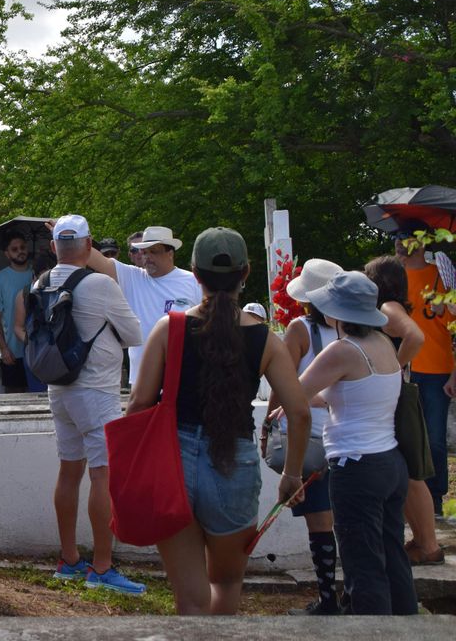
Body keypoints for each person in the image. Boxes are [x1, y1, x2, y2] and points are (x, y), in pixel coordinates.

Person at [129, 227, 310, 615]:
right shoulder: (267, 339)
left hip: (173, 463)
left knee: (189, 599)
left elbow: (140, 402)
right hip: (236, 463)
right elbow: (299, 411)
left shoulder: (169, 329)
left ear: (195, 273)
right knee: (225, 583)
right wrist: (291, 474)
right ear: (245, 274)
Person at [11, 215, 145, 593]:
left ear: (54, 247)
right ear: (89, 246)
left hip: (59, 388)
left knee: (68, 471)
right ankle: (102, 568)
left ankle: (69, 560)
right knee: (101, 475)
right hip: (97, 392)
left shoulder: (37, 283)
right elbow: (134, 333)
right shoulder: (100, 283)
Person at [299, 271, 418, 615]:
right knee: (393, 555)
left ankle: (371, 632)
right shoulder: (383, 343)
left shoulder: (341, 350)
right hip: (389, 460)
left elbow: (298, 393)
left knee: (363, 565)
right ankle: (409, 631)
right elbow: (352, 392)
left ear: (335, 313)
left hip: (357, 465)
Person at [263, 257, 342, 615]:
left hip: (311, 435)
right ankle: (349, 592)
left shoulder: (300, 330)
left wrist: (268, 424)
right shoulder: (354, 329)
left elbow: (282, 384)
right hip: (349, 430)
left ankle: (328, 597)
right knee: (345, 518)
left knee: (319, 519)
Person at [364, 255, 443, 566]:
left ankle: (428, 545)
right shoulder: (390, 308)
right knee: (407, 471)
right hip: (397, 395)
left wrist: (393, 367)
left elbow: (416, 336)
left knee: (411, 473)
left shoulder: (387, 308)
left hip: (397, 396)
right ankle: (423, 542)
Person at [393, 219, 455, 518]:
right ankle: (408, 499)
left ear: (421, 241)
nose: (397, 242)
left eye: (403, 236)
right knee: (403, 437)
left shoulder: (441, 277)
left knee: (434, 440)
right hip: (401, 370)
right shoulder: (394, 279)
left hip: (437, 370)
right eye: (395, 237)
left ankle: (436, 499)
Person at [89, 225, 201, 387]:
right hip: (141, 382)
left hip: (183, 379)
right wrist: (67, 231)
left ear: (170, 253)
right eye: (144, 252)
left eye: (153, 251)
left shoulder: (193, 281)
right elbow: (95, 259)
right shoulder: (134, 277)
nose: (146, 257)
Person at [0, 229, 35, 393]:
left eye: (22, 247)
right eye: (15, 249)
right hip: (13, 353)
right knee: (15, 400)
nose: (20, 251)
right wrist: (4, 349)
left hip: (39, 349)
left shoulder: (40, 274)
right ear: (7, 254)